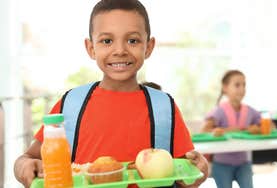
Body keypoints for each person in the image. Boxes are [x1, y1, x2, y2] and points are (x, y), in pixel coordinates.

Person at [13, 0, 208, 187]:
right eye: (107, 41)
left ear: (148, 47)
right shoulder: (71, 104)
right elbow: (29, 157)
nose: (120, 50)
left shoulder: (164, 107)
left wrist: (201, 170)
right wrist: (23, 165)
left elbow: (186, 173)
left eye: (132, 40)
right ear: (91, 48)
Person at [201, 70, 261, 188]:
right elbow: (204, 130)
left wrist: (256, 129)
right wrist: (234, 130)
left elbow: (268, 126)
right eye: (237, 85)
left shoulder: (249, 111)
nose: (242, 89)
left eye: (244, 85)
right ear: (225, 88)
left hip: (244, 163)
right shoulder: (219, 110)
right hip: (222, 164)